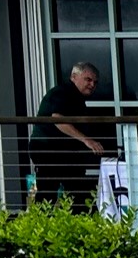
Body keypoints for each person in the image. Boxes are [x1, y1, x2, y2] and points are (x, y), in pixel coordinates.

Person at [30, 60, 106, 202]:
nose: (92, 85)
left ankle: (69, 219)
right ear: (74, 77)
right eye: (88, 80)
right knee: (50, 192)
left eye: (95, 82)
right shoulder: (62, 92)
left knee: (73, 191)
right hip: (49, 150)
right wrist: (87, 140)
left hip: (64, 153)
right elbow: (58, 119)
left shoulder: (76, 97)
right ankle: (43, 221)